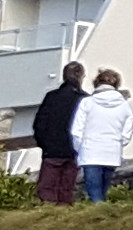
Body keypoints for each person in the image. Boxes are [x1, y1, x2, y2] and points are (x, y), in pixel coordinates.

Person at [70, 68, 133, 204]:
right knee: (104, 188)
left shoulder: (87, 102)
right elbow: (126, 134)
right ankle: (104, 212)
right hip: (112, 151)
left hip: (90, 151)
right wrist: (116, 143)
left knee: (94, 192)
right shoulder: (125, 106)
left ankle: (97, 213)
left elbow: (77, 131)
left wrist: (81, 149)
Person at [28, 58, 88, 206]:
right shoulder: (85, 99)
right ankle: (63, 213)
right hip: (74, 149)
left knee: (46, 188)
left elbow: (40, 123)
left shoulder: (52, 97)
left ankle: (47, 212)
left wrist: (44, 144)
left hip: (52, 150)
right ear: (81, 77)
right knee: (67, 189)